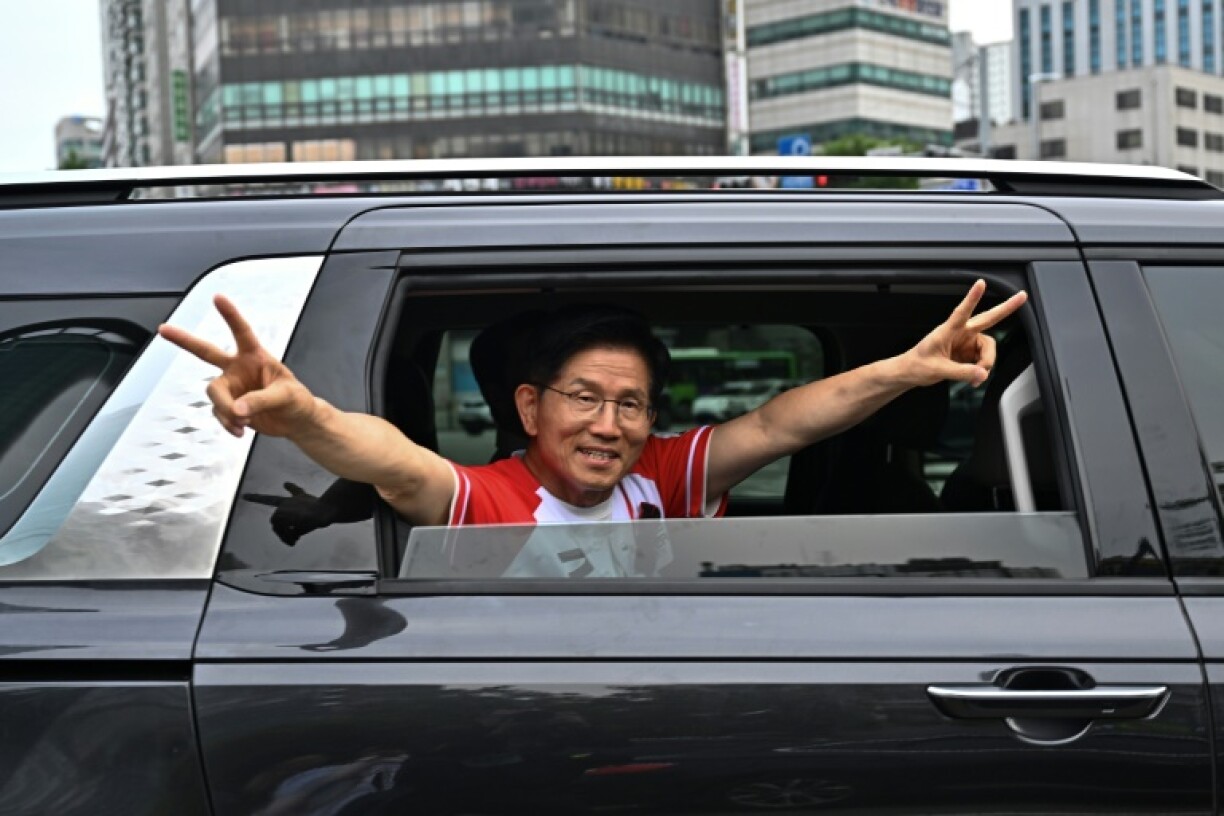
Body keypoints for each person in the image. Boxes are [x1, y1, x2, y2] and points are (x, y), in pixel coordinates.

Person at [158, 281, 1026, 531]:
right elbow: (393, 459)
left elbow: (783, 420)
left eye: (632, 405)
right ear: (529, 408)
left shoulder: (666, 476)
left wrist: (906, 371)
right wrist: (303, 415)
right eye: (585, 398)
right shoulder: (485, 498)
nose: (609, 425)